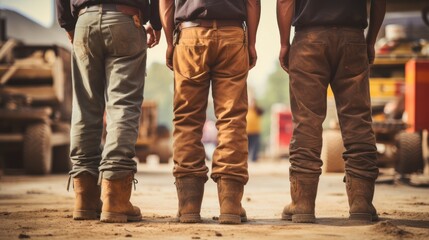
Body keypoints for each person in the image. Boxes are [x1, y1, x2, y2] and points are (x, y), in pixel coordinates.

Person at [277, 0, 386, 223]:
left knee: (306, 121)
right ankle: (361, 203)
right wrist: (371, 40)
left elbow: (285, 1)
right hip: (352, 37)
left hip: (309, 39)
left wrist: (285, 43)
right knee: (357, 120)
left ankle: (303, 204)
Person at [56, 0, 161, 223]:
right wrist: (157, 22)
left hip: (85, 20)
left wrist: (68, 24)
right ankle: (115, 197)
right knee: (123, 105)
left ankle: (84, 198)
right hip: (126, 18)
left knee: (85, 107)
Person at [159, 0, 260, 224]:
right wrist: (251, 43)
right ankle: (230, 205)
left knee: (187, 120)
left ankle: (189, 206)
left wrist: (169, 41)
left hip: (190, 33)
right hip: (232, 35)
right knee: (232, 119)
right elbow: (252, 2)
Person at [246, 96, 264, 162]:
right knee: (247, 147)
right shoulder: (246, 109)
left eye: (253, 102)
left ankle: (254, 159)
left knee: (255, 146)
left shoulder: (257, 110)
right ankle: (246, 159)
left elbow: (262, 111)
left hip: (256, 131)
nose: (252, 104)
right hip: (247, 131)